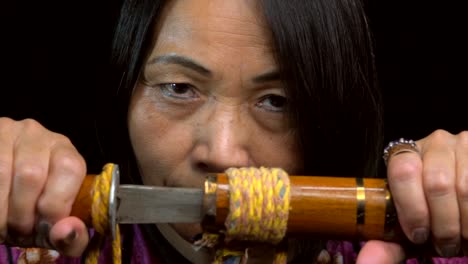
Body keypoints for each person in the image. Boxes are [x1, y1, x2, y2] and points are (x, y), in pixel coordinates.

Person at [0, 0, 467, 263]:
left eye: (277, 102)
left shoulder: (423, 248)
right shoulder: (32, 246)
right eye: (179, 88)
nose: (222, 153)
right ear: (127, 89)